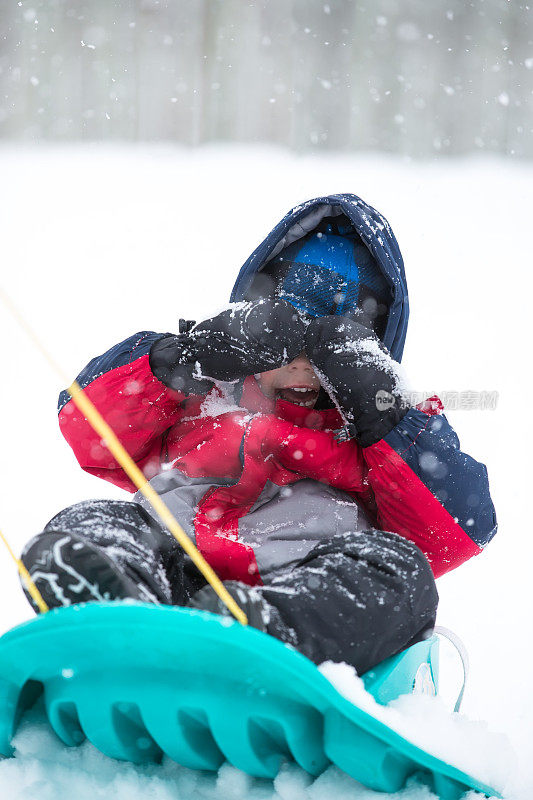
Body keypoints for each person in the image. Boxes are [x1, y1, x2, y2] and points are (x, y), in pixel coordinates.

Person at [21, 194, 497, 676]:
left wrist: (385, 416)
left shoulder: (383, 425)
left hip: (303, 593)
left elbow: (455, 531)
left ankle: (253, 638)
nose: (302, 368)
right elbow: (86, 424)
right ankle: (117, 615)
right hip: (171, 573)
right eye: (285, 341)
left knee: (400, 572)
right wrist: (186, 357)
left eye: (328, 353)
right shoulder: (203, 392)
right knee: (94, 519)